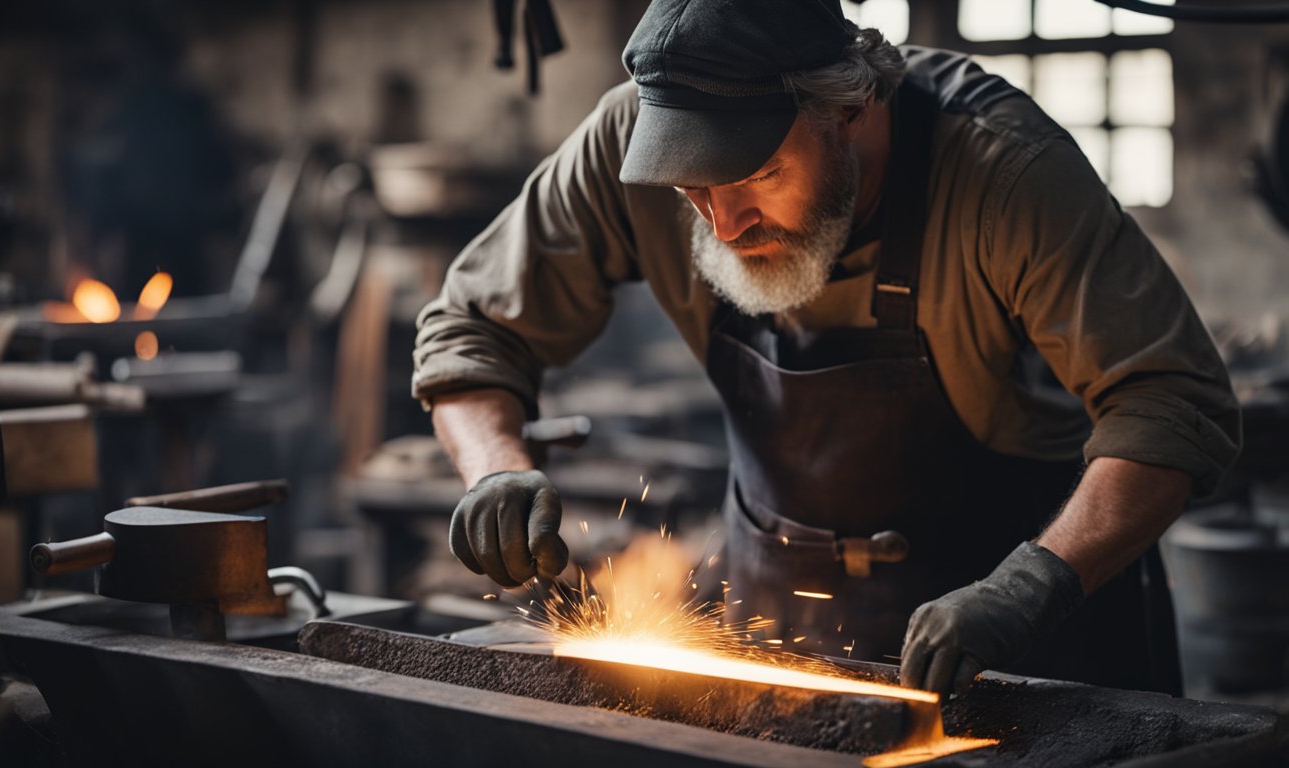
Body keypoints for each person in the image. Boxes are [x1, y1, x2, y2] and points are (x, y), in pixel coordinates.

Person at [413, 0, 1240, 697]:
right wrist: (494, 468)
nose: (722, 223)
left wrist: (1032, 587)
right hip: (780, 636)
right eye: (692, 190)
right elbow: (472, 325)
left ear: (850, 108)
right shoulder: (631, 138)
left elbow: (1171, 400)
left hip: (1025, 653)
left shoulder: (1002, 173)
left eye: (756, 174)